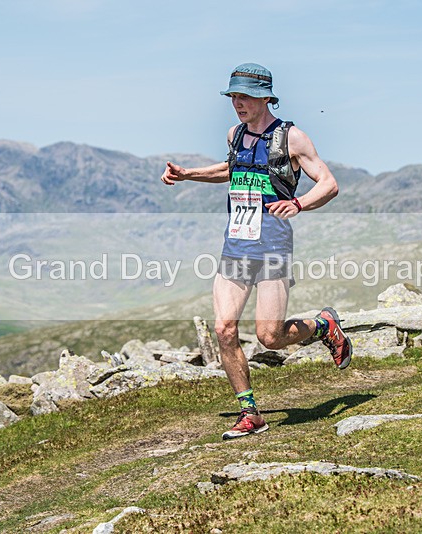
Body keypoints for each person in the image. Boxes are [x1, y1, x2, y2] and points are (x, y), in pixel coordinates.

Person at [160, 63, 352, 440]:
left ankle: (324, 326)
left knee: (270, 336)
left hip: (273, 246)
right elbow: (231, 170)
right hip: (236, 245)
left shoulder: (292, 137)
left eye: (245, 96)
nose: (237, 103)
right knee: (224, 328)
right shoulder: (235, 135)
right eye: (233, 96)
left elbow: (328, 184)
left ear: (265, 97)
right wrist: (188, 174)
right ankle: (250, 414)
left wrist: (298, 204)